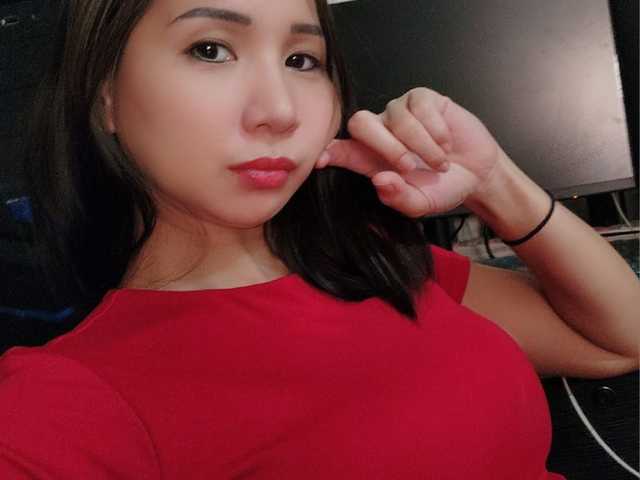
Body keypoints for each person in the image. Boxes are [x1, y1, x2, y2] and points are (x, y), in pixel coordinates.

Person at [0, 0, 637, 478]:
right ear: (105, 97)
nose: (280, 111)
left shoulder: (373, 260)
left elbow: (616, 341)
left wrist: (494, 180)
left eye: (302, 60)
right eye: (211, 49)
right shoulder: (68, 399)